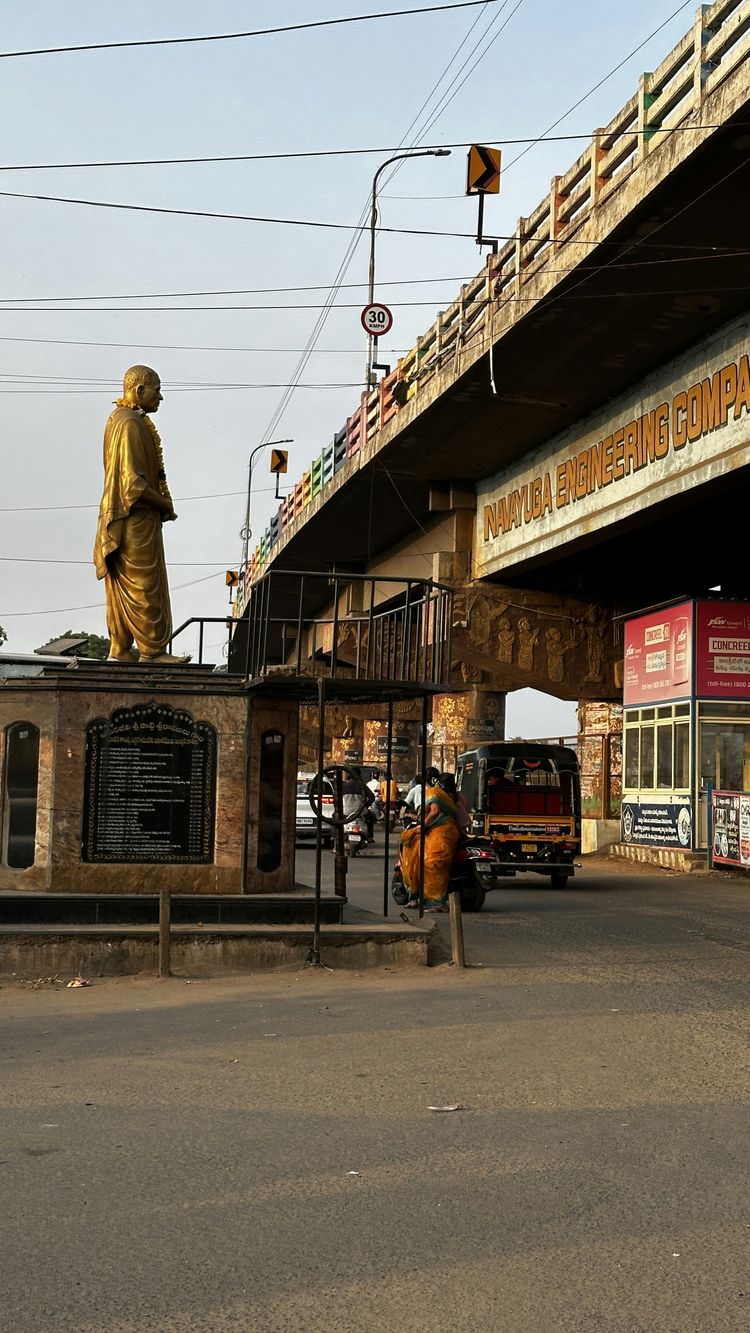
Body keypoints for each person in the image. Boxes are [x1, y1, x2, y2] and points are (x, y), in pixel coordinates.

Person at [93, 365, 190, 665]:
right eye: (157, 390)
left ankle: (120, 649)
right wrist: (164, 503)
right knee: (144, 585)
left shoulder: (118, 420)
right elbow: (133, 485)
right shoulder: (130, 424)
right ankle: (152, 651)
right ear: (139, 391)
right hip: (135, 517)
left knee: (123, 583)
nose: (161, 397)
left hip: (121, 516)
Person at [399, 771, 459, 912]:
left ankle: (437, 902)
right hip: (448, 832)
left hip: (440, 833)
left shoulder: (433, 792)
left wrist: (423, 825)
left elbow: (434, 811)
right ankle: (419, 898)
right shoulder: (450, 796)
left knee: (429, 863)